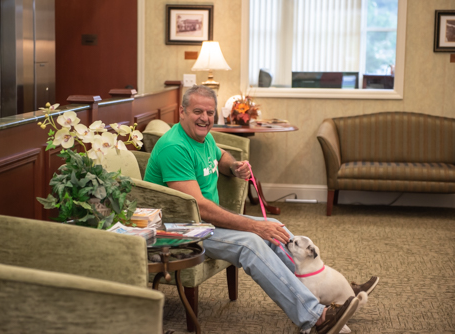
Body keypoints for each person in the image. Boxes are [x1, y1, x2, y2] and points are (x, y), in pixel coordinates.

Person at [144, 85, 378, 334]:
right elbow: (198, 208)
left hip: (204, 221)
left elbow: (220, 156)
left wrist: (235, 167)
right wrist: (254, 226)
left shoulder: (203, 136)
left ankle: (338, 294)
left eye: (210, 112)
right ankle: (316, 319)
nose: (205, 118)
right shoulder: (175, 147)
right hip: (180, 228)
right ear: (182, 112)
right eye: (197, 111)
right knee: (252, 244)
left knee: (278, 231)